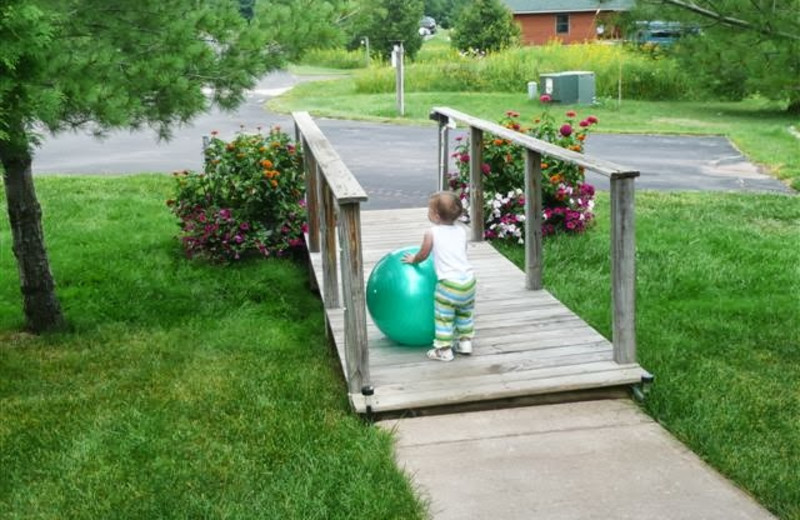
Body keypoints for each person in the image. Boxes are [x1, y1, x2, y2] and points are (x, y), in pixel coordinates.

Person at [403, 191, 476, 362]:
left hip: (449, 284)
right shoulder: (462, 230)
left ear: (435, 215)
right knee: (465, 313)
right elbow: (461, 251)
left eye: (429, 209)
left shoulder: (432, 232)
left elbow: (423, 254)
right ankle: (465, 342)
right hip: (469, 281)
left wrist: (414, 260)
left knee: (444, 316)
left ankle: (444, 349)